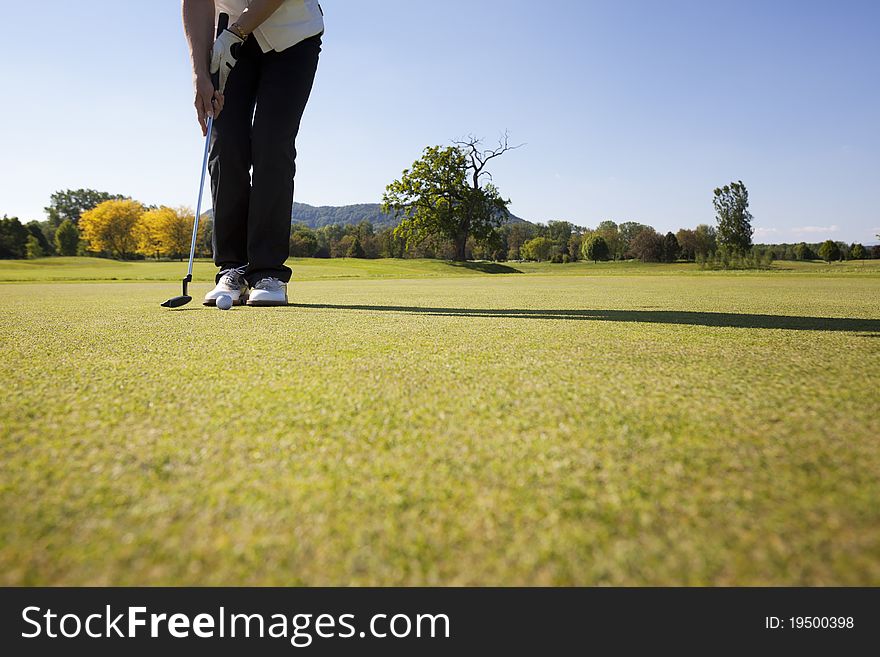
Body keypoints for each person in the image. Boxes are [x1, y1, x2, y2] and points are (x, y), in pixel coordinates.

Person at [182, 0, 324, 306]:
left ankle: (267, 272)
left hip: (293, 36)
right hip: (229, 39)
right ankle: (231, 269)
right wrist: (199, 75)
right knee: (226, 144)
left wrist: (236, 33)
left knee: (272, 143)